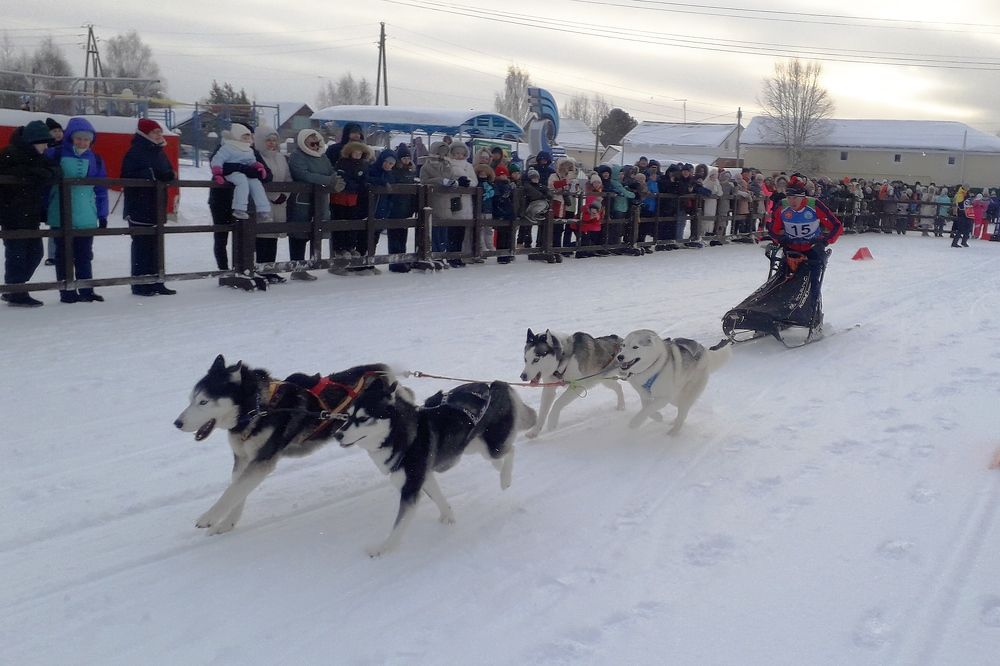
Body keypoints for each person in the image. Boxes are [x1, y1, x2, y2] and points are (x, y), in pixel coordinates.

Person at [46, 117, 109, 303]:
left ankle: (86, 289)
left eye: (86, 139)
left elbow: (101, 189)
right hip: (61, 211)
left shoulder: (96, 159)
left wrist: (102, 214)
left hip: (86, 213)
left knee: (84, 253)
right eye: (79, 138)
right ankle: (66, 291)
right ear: (71, 138)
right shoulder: (55, 154)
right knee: (62, 253)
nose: (82, 142)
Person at [0, 120, 60, 307]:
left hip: (30, 213)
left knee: (35, 253)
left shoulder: (39, 157)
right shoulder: (10, 154)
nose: (45, 147)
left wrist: (43, 173)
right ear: (33, 141)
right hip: (12, 213)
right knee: (17, 252)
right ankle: (16, 290)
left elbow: (57, 171)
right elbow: (10, 172)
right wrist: (30, 172)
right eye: (43, 143)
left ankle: (14, 287)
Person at [768, 173, 843, 308]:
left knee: (813, 281)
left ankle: (813, 308)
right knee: (784, 280)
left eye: (795, 198)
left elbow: (837, 226)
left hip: (812, 249)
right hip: (791, 249)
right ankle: (781, 308)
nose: (792, 201)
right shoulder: (782, 206)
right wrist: (780, 239)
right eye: (789, 197)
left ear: (803, 197)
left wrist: (825, 242)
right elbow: (773, 228)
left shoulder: (814, 205)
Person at [120, 118, 177, 296]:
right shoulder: (136, 152)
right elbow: (127, 175)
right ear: (145, 134)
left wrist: (168, 175)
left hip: (156, 203)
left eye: (160, 132)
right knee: (141, 245)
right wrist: (153, 175)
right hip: (140, 204)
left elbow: (166, 171)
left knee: (156, 244)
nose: (159, 135)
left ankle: (156, 280)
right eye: (155, 132)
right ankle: (139, 283)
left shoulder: (159, 151)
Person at [287, 128, 344, 280]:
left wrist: (336, 179)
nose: (314, 144)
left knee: (314, 231)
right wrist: (327, 181)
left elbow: (330, 171)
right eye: (310, 142)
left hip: (320, 200)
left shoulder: (322, 156)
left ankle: (310, 263)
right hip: (302, 200)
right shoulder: (297, 156)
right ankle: (297, 268)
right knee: (299, 234)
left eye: (316, 141)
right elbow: (303, 174)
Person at [210, 123, 271, 223]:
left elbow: (256, 164)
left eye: (249, 136)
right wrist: (219, 173)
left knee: (256, 184)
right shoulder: (226, 147)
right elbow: (217, 161)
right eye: (245, 136)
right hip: (223, 195)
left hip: (246, 191)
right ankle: (239, 208)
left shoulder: (249, 150)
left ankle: (263, 209)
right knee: (242, 181)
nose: (248, 139)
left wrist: (258, 168)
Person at [253, 125, 291, 284]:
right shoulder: (256, 158)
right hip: (264, 203)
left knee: (273, 238)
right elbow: (259, 181)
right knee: (263, 237)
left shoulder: (281, 158)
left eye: (274, 140)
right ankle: (261, 270)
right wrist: (274, 195)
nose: (272, 143)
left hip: (280, 204)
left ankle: (271, 270)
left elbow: (288, 178)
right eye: (268, 140)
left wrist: (284, 195)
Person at [43, 118, 63, 266]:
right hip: (51, 189)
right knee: (55, 223)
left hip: (64, 187)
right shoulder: (45, 149)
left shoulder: (67, 148)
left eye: (59, 130)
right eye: (54, 131)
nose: (57, 133)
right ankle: (52, 254)